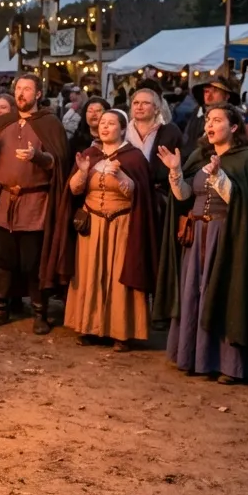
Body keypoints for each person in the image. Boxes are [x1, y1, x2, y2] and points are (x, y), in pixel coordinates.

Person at [156, 104, 248, 384]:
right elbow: (185, 196)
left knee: (223, 293)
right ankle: (194, 357)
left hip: (228, 237)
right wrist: (175, 171)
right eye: (208, 120)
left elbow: (243, 203)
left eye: (217, 120)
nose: (209, 125)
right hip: (197, 235)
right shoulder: (200, 156)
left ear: (233, 127)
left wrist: (218, 176)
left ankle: (229, 364)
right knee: (194, 293)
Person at [0, 75, 72, 334]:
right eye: (18, 88)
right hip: (3, 202)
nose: (21, 93)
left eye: (27, 89)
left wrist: (38, 157)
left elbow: (60, 161)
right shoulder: (3, 122)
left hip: (35, 204)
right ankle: (1, 308)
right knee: (2, 259)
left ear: (38, 94)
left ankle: (39, 313)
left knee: (33, 262)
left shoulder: (49, 124)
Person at [65, 110, 156, 351]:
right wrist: (82, 171)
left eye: (111, 123)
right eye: (102, 123)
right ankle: (89, 327)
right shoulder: (90, 154)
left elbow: (139, 195)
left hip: (122, 225)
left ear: (123, 128)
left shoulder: (134, 158)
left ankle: (121, 332)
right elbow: (74, 190)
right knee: (90, 273)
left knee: (118, 276)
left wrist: (123, 176)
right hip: (92, 226)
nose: (105, 127)